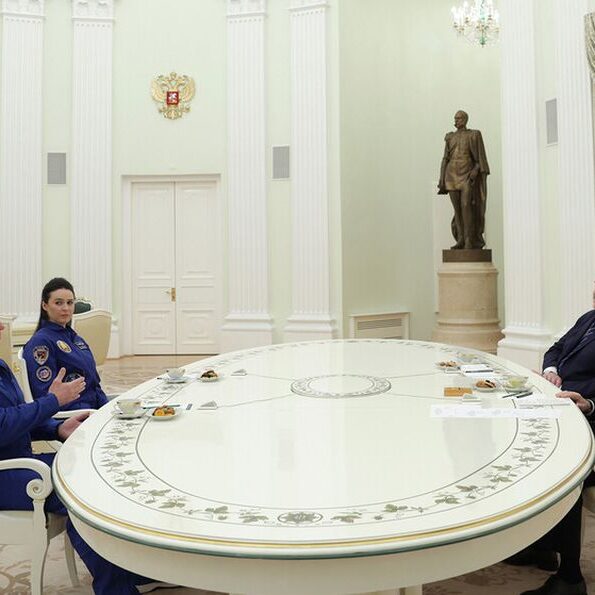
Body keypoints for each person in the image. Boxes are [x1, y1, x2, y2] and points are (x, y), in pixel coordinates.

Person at [0, 321, 169, 593]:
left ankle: (131, 574)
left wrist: (57, 428)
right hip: (6, 474)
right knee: (80, 494)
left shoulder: (1, 365)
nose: (1, 326)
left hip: (19, 462)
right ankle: (116, 588)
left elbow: (18, 416)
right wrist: (53, 401)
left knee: (95, 471)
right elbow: (3, 426)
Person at [510, 288, 595, 595]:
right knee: (522, 448)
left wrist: (590, 404)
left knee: (562, 472)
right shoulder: (589, 319)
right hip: (563, 406)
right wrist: (551, 372)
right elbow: (556, 349)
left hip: (588, 418)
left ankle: (570, 578)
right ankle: (541, 547)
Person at [23, 277, 108, 412]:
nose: (65, 308)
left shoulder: (75, 338)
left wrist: (107, 409)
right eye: (58, 303)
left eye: (70, 303)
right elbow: (45, 396)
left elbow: (94, 384)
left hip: (94, 410)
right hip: (74, 415)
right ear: (45, 305)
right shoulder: (41, 343)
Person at [437, 110, 490, 250]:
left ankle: (469, 239)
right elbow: (445, 158)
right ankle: (460, 239)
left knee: (466, 205)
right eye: (455, 118)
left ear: (465, 119)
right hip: (451, 175)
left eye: (459, 118)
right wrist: (441, 178)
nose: (456, 121)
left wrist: (475, 170)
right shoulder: (450, 137)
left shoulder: (474, 135)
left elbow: (479, 159)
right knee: (457, 209)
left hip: (466, 174)